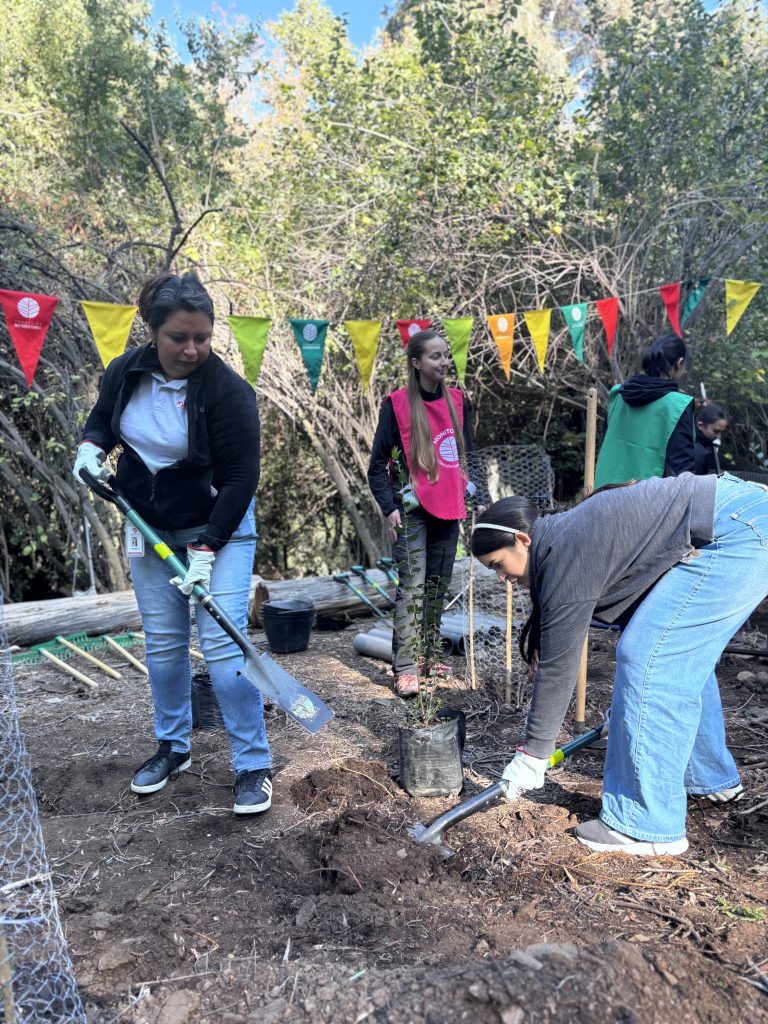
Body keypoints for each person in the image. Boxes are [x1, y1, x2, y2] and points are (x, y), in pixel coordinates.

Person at [470, 472, 768, 856]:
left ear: (522, 540)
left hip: (736, 531)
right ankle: (708, 778)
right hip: (742, 516)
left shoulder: (565, 554)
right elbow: (641, 608)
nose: (501, 578)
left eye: (498, 564)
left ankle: (646, 824)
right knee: (673, 651)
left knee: (648, 654)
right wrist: (634, 710)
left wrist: (533, 754)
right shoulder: (566, 539)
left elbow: (558, 668)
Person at [72, 271, 273, 815]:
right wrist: (91, 448)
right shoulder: (125, 371)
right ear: (153, 332)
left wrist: (207, 549)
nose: (191, 349)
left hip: (220, 527)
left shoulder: (228, 391)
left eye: (202, 337)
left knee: (224, 651)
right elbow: (102, 420)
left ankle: (253, 764)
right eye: (178, 337)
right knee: (163, 648)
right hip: (148, 525)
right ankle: (173, 747)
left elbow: (241, 479)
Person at [367, 329, 485, 697]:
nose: (445, 362)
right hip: (411, 509)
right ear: (416, 363)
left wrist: (479, 496)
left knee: (437, 584)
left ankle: (428, 656)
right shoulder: (397, 405)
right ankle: (405, 667)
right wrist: (389, 507)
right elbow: (377, 465)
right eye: (436, 356)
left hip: (450, 506)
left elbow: (467, 456)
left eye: (446, 355)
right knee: (413, 587)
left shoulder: (457, 401)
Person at [594, 335, 696, 487]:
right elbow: (681, 471)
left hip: (602, 492)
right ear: (680, 363)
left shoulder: (617, 395)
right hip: (645, 498)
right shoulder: (678, 405)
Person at [694, 403, 728, 475]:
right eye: (716, 431)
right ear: (700, 425)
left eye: (721, 432)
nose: (718, 437)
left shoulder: (708, 447)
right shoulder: (697, 452)